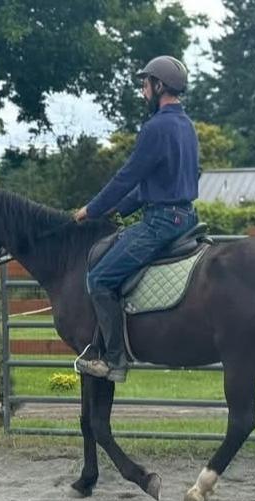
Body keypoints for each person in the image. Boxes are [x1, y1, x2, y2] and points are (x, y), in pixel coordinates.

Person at [73, 55, 200, 382]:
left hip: (161, 223)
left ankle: (114, 361)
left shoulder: (155, 128)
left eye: (145, 85)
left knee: (99, 280)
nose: (143, 92)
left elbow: (127, 176)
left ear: (159, 86)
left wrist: (93, 209)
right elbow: (157, 184)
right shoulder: (186, 126)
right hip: (186, 217)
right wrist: (122, 208)